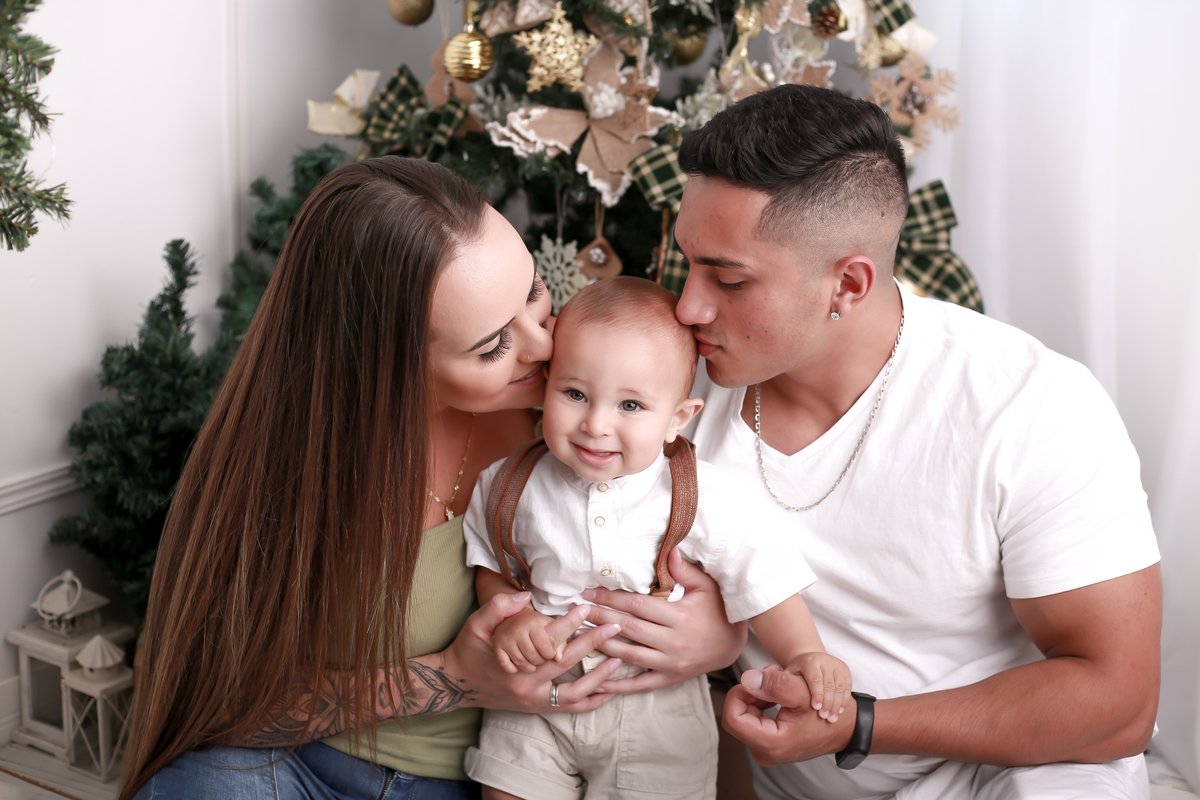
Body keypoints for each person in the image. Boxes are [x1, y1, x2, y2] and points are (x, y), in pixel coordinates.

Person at [118, 157, 744, 800]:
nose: (542, 345)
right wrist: (452, 678)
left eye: (533, 292)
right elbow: (214, 708)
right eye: (492, 345)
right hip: (297, 768)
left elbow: (723, 554)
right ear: (387, 361)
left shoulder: (589, 414)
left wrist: (722, 640)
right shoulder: (296, 464)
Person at [665, 83, 1162, 800]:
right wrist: (716, 643)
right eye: (686, 261)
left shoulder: (1029, 403)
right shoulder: (663, 395)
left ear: (849, 284)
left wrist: (858, 726)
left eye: (728, 279)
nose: (688, 305)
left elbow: (1120, 704)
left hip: (1022, 774)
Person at [458, 277, 851, 800]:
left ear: (676, 419)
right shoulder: (510, 482)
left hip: (655, 701)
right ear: (547, 385)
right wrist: (514, 619)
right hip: (537, 690)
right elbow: (492, 565)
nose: (596, 424)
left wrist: (805, 654)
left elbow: (765, 581)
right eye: (575, 394)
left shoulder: (701, 493)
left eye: (630, 406)